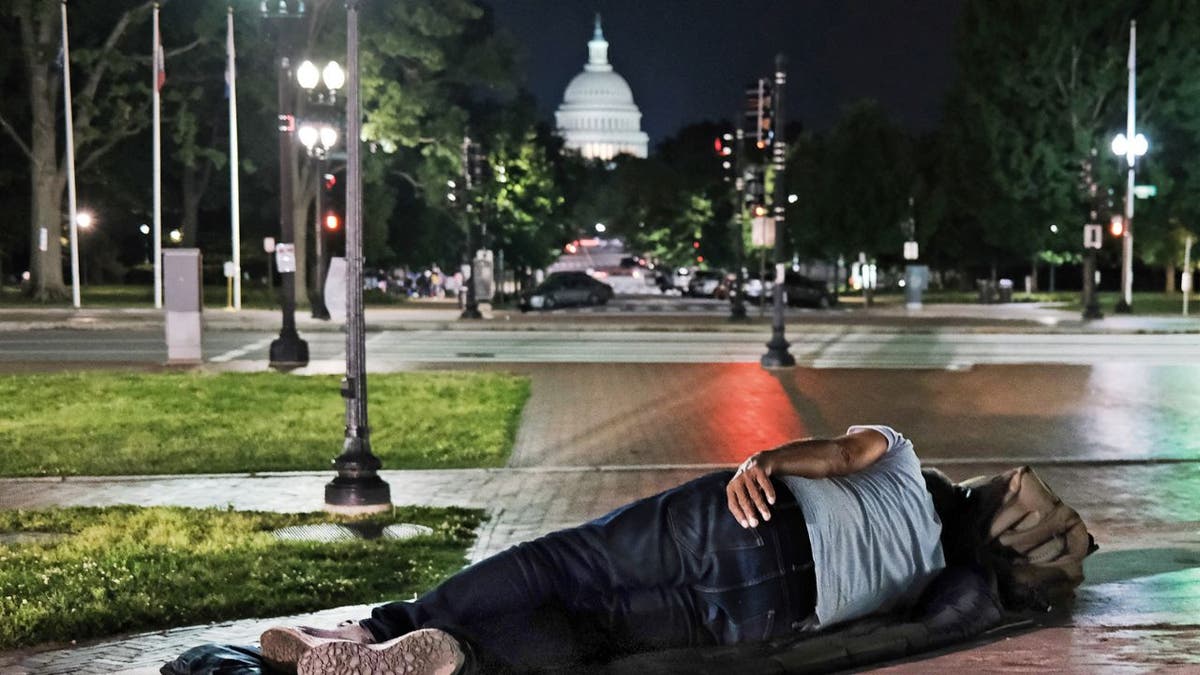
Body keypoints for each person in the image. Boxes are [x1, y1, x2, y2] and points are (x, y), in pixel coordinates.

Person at [261, 425, 961, 675]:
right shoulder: (928, 575)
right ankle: (458, 656)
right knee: (603, 631)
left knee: (567, 565)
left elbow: (841, 453)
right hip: (770, 611)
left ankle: (379, 629)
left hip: (753, 518)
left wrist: (765, 460)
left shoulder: (900, 457)